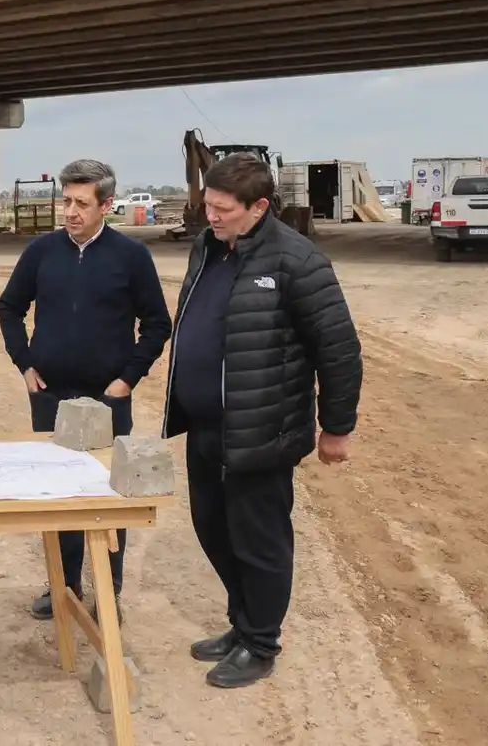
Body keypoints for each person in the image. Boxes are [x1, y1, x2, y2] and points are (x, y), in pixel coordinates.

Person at [165, 152, 361, 688]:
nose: (212, 216)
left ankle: (260, 642)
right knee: (214, 531)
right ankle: (241, 622)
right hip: (206, 428)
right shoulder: (207, 251)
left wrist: (336, 427)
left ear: (260, 208)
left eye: (224, 208)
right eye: (208, 205)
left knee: (260, 541)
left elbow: (339, 350)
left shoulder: (298, 261)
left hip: (260, 431)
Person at [0, 159, 171, 623]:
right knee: (58, 494)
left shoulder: (131, 258)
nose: (70, 212)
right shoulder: (41, 252)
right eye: (65, 201)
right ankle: (63, 584)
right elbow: (10, 307)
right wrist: (24, 364)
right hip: (49, 396)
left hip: (107, 398)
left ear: (106, 206)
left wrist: (127, 379)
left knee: (107, 495)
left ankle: (107, 590)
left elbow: (157, 324)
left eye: (81, 203)